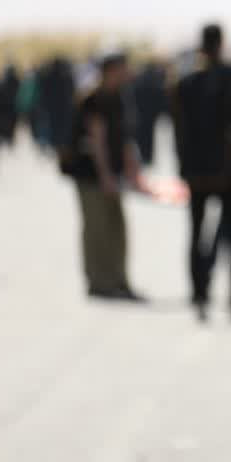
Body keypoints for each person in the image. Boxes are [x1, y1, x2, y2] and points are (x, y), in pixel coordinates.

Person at [170, 24, 231, 321]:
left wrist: (184, 166)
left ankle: (199, 293)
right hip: (226, 170)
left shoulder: (185, 80)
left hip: (197, 170)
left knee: (197, 233)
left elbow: (178, 130)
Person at [61, 52, 146, 300]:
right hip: (91, 174)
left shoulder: (118, 96)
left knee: (116, 227)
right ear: (110, 70)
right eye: (123, 68)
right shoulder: (93, 99)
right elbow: (97, 141)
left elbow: (123, 138)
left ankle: (118, 279)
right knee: (97, 228)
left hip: (110, 173)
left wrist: (131, 169)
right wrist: (106, 175)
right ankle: (99, 281)